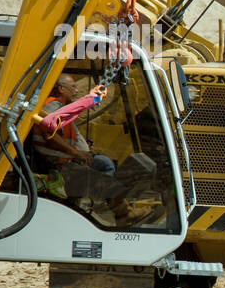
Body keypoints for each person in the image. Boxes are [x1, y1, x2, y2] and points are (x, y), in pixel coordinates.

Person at [31, 74, 152, 225]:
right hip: (59, 164)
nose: (76, 91)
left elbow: (62, 134)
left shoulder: (60, 108)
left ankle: (90, 206)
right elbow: (49, 134)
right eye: (73, 87)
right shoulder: (51, 106)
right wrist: (76, 153)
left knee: (103, 164)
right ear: (61, 89)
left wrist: (82, 147)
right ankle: (123, 214)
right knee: (104, 180)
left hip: (68, 160)